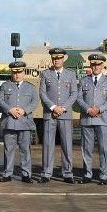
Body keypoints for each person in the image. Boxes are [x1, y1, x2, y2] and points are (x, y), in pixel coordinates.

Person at [38, 47, 78, 184]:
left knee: (67, 145)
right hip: (50, 114)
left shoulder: (71, 74)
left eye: (59, 58)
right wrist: (54, 107)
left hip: (65, 114)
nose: (56, 60)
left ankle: (68, 173)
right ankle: (46, 173)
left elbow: (74, 93)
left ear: (63, 59)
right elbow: (42, 93)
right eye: (54, 58)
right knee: (48, 144)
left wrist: (63, 108)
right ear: (52, 59)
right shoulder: (45, 74)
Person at [76, 54, 107, 185]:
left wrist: (98, 109)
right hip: (87, 119)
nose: (96, 67)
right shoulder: (83, 81)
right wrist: (88, 109)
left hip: (102, 119)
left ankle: (103, 176)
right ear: (91, 66)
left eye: (98, 64)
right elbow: (79, 98)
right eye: (93, 64)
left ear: (102, 65)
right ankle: (87, 174)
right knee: (86, 149)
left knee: (103, 149)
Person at [0, 61, 38, 183]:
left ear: (24, 72)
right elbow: (0, 100)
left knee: (25, 150)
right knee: (8, 150)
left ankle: (26, 174)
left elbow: (35, 101)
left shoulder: (30, 87)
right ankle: (7, 173)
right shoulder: (5, 86)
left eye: (19, 72)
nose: (17, 75)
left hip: (25, 122)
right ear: (11, 73)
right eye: (14, 72)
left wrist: (24, 110)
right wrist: (10, 110)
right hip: (9, 122)